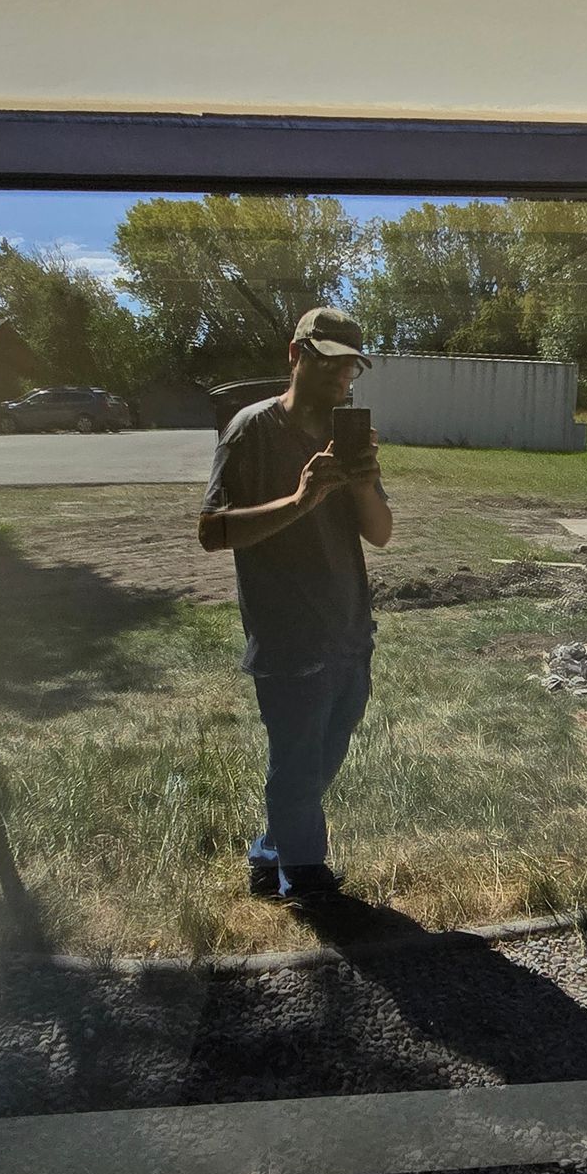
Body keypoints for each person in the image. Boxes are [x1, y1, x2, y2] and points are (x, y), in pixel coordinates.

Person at [198, 307, 392, 906]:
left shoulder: (345, 434)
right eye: (328, 360)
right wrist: (304, 497)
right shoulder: (250, 431)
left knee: (318, 760)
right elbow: (213, 531)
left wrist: (360, 482)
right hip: (287, 634)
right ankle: (306, 881)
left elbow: (380, 532)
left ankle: (268, 853)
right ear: (296, 355)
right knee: (296, 761)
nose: (341, 376)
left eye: (351, 366)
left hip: (349, 630)